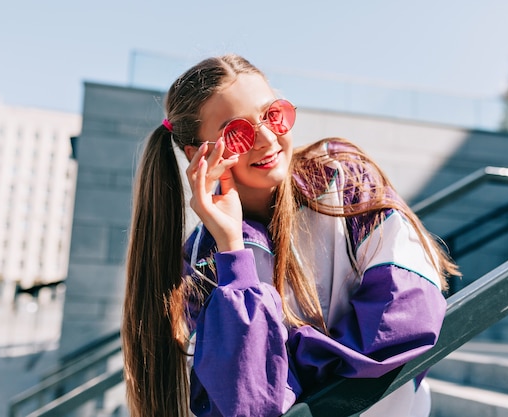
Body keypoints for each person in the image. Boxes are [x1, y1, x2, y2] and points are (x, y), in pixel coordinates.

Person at [122, 54, 459, 417]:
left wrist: (284, 362)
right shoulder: (204, 261)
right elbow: (245, 406)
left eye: (272, 114)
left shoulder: (343, 180)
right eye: (237, 133)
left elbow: (408, 313)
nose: (267, 139)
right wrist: (233, 252)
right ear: (199, 154)